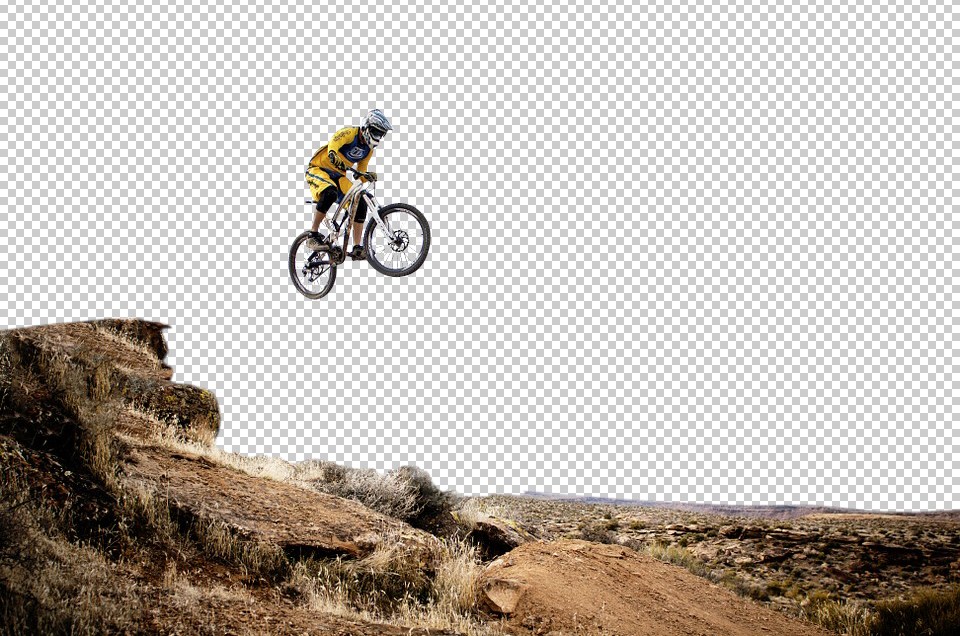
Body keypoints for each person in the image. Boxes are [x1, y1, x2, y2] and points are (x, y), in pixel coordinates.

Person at [304, 109, 393, 258]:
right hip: (319, 169)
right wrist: (332, 154)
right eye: (376, 132)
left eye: (380, 134)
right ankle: (312, 234)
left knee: (361, 201)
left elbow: (360, 171)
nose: (378, 136)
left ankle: (358, 247)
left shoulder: (368, 150)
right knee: (330, 192)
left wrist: (366, 176)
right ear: (366, 127)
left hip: (339, 176)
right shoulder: (350, 133)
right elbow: (334, 142)